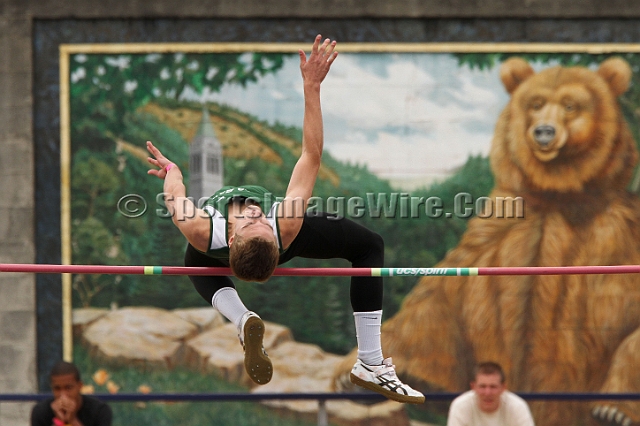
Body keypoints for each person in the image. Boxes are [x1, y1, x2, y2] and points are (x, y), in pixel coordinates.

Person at [146, 34, 424, 404]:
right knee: (368, 245)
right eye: (258, 222)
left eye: (254, 221)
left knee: (194, 257)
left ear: (233, 239)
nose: (258, 214)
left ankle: (254, 324)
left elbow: (174, 192)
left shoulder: (202, 230)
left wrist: (171, 168)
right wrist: (311, 88)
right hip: (287, 243)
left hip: (243, 247)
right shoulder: (284, 223)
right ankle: (361, 358)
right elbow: (310, 155)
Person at [447, 361, 534, 426]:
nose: (487, 393)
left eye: (493, 387)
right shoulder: (460, 406)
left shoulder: (517, 407)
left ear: (503, 388)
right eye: (482, 386)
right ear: (473, 387)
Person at [30, 361, 112, 426]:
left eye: (68, 388)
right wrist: (59, 421)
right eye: (57, 389)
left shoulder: (100, 410)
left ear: (80, 386)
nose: (63, 395)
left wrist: (72, 420)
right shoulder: (40, 411)